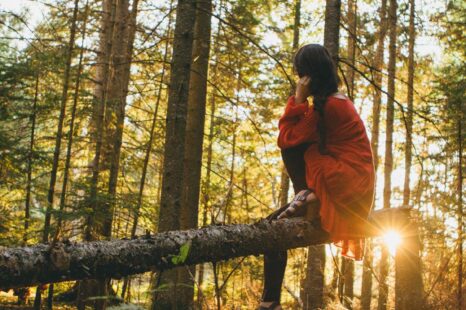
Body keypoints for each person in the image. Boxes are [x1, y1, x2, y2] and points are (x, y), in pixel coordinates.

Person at [259, 43, 375, 310]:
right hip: (351, 185)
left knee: (273, 226)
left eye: (301, 75)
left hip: (342, 184)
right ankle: (269, 302)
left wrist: (298, 98)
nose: (300, 80)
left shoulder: (328, 108)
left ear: (309, 75)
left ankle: (269, 303)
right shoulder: (336, 101)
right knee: (273, 225)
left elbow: (286, 138)